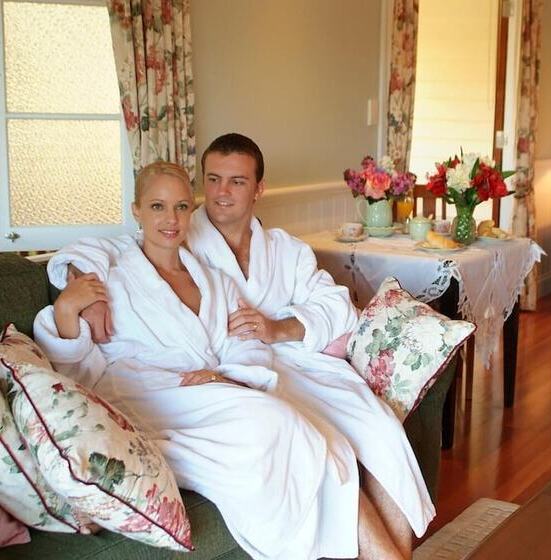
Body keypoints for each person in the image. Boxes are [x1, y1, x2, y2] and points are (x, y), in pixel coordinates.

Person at [47, 136, 435, 558]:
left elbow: (335, 305)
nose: (222, 192)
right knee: (320, 442)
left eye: (236, 181)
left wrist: (277, 329)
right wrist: (80, 288)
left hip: (271, 364)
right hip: (214, 380)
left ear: (258, 188)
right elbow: (95, 250)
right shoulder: (177, 238)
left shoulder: (280, 249)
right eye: (213, 179)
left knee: (380, 431)